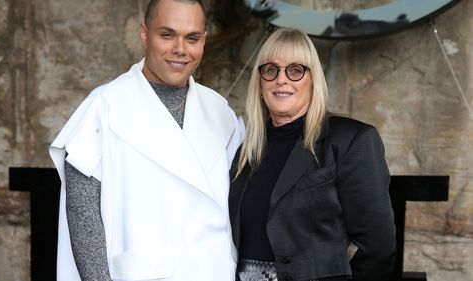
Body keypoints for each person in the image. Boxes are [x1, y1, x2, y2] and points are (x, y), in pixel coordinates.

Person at [49, 0, 244, 280]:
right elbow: (83, 218)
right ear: (144, 34)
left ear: (204, 40)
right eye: (167, 34)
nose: (180, 49)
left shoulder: (220, 111)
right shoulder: (105, 106)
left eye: (192, 38)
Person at [229, 28, 396, 281]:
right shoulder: (247, 151)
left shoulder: (349, 141)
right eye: (271, 70)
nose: (281, 79)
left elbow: (379, 247)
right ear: (260, 82)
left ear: (313, 80)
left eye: (295, 70)